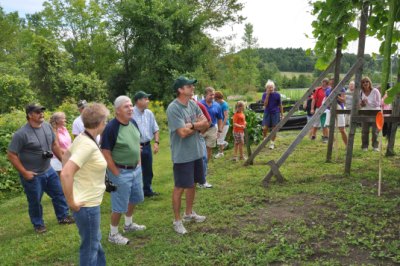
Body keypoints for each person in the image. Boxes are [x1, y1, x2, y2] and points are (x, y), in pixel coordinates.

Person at [7, 103, 74, 234]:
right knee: (35, 201)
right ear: (30, 115)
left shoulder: (47, 127)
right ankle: (38, 224)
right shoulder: (21, 134)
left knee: (59, 193)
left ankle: (63, 217)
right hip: (33, 174)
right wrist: (24, 172)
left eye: (42, 111)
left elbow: (54, 145)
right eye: (38, 112)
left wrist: (63, 163)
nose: (41, 114)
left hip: (48, 169)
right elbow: (11, 155)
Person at [60, 103, 109, 266]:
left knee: (95, 243)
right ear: (100, 122)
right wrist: (71, 201)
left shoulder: (83, 137)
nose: (106, 124)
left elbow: (66, 155)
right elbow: (66, 172)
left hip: (87, 202)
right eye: (106, 121)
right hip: (86, 205)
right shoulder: (87, 145)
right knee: (90, 248)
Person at [167, 76, 209, 234]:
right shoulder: (173, 108)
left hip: (197, 152)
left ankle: (189, 213)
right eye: (189, 86)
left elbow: (206, 124)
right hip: (182, 155)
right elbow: (182, 133)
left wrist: (192, 125)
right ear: (180, 90)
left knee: (192, 184)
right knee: (180, 187)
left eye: (192, 86)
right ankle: (177, 221)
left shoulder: (193, 104)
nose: (192, 88)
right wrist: (198, 126)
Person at [101, 96, 146, 245]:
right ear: (118, 110)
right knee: (119, 205)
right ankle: (113, 234)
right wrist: (115, 172)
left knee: (134, 198)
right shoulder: (111, 128)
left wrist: (138, 161)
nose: (131, 108)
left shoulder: (132, 122)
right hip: (120, 172)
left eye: (131, 106)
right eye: (126, 106)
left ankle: (128, 225)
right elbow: (105, 152)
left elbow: (136, 143)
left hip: (135, 170)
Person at [133, 91, 160, 197]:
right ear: (138, 101)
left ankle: (147, 190)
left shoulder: (149, 113)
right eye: (145, 99)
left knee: (148, 171)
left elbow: (156, 129)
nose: (148, 101)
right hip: (135, 147)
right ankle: (136, 193)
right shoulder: (131, 114)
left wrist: (156, 142)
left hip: (147, 146)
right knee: (136, 170)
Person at [192, 94, 212, 189]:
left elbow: (208, 121)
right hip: (185, 138)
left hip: (198, 135)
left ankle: (202, 181)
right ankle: (191, 181)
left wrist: (201, 132)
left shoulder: (199, 105)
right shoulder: (179, 107)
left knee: (202, 157)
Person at [200, 87, 223, 161]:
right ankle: (199, 165)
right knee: (199, 148)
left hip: (212, 129)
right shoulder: (200, 104)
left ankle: (206, 165)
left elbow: (219, 118)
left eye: (213, 95)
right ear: (205, 95)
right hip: (201, 129)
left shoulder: (217, 105)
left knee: (209, 148)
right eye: (210, 95)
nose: (212, 97)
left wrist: (219, 130)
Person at [360, 77, 381, 151]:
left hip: (375, 112)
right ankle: (364, 146)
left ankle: (375, 146)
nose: (365, 83)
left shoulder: (375, 91)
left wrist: (368, 102)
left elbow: (379, 103)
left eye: (367, 82)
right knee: (364, 131)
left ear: (369, 83)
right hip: (365, 112)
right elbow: (361, 105)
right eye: (363, 82)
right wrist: (362, 103)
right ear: (362, 84)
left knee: (375, 131)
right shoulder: (361, 92)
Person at [324, 79, 348, 145]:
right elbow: (326, 101)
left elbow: (343, 100)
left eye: (333, 83)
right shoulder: (328, 90)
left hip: (339, 109)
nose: (332, 84)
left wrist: (336, 96)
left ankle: (347, 145)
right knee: (329, 128)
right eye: (331, 83)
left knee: (342, 129)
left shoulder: (342, 89)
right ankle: (333, 144)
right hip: (330, 109)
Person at [261, 80, 283, 149]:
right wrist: (267, 95)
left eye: (271, 87)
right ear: (266, 88)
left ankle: (272, 143)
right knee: (265, 128)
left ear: (274, 87)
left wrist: (282, 114)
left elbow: (280, 105)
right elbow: (265, 105)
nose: (270, 89)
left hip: (275, 113)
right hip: (267, 112)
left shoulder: (277, 95)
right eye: (269, 87)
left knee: (274, 129)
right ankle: (264, 139)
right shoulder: (264, 94)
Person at [310, 78, 330, 142]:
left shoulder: (330, 89)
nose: (323, 84)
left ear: (327, 83)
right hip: (318, 108)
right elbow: (314, 99)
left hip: (326, 108)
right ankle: (313, 135)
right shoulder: (318, 89)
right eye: (322, 82)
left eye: (325, 82)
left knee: (324, 123)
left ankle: (326, 136)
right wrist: (312, 108)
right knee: (316, 122)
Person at [214, 91, 229, 158]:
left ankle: (221, 153)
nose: (214, 101)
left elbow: (226, 117)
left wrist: (221, 127)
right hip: (219, 123)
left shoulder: (224, 105)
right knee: (218, 138)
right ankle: (225, 143)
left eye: (215, 99)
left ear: (218, 98)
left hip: (224, 124)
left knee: (219, 139)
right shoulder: (218, 103)